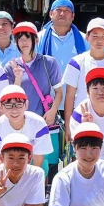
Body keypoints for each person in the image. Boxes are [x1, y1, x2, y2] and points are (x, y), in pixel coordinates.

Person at [5, 21, 64, 176]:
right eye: (20, 38)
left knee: (48, 163)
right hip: (21, 124)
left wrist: (52, 112)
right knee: (22, 162)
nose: (23, 42)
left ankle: (45, 195)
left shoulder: (48, 62)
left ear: (35, 40)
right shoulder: (10, 67)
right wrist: (18, 78)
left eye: (27, 38)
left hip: (45, 121)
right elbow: (12, 97)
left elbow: (59, 92)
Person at [63, 18, 104, 118]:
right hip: (82, 118)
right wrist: (68, 125)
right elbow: (70, 95)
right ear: (87, 37)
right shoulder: (76, 63)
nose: (99, 40)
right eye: (95, 36)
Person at [0, 85, 53, 170]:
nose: (14, 110)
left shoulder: (39, 124)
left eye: (19, 104)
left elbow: (39, 156)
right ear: (0, 107)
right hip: (7, 164)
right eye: (8, 105)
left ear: (26, 104)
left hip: (31, 162)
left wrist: (31, 178)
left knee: (43, 167)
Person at [37, 0, 88, 75]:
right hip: (47, 87)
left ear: (73, 16)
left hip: (76, 87)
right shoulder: (39, 38)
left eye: (67, 10)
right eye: (58, 10)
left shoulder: (85, 39)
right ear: (51, 14)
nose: (62, 14)